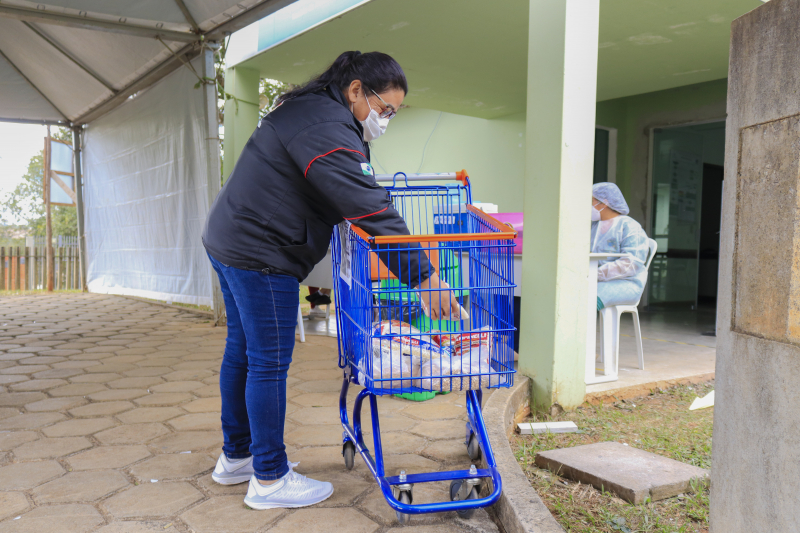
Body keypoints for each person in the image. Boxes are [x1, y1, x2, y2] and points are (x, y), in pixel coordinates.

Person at [201, 51, 461, 511]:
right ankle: (269, 477)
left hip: (232, 239)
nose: (386, 120)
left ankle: (237, 457)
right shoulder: (325, 125)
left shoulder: (315, 111)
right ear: (357, 90)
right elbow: (368, 204)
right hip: (261, 253)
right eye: (385, 109)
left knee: (243, 351)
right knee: (268, 361)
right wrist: (424, 277)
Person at [591, 182, 650, 311]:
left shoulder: (630, 227)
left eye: (591, 201)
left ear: (604, 202)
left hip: (627, 283)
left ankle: (584, 332)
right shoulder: (593, 227)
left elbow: (631, 263)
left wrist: (596, 274)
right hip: (595, 280)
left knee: (589, 298)